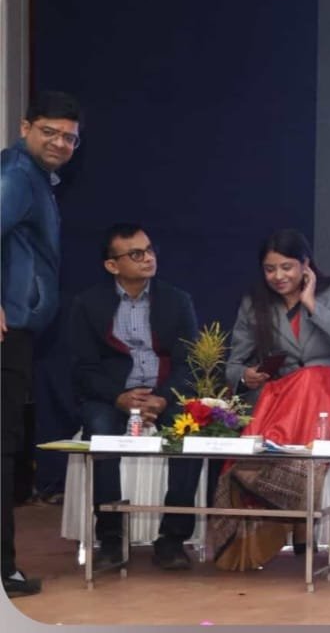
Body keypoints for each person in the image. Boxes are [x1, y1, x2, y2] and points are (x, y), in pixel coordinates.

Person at [208, 229, 330, 570]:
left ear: (305, 265)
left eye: (287, 267)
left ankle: (267, 485)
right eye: (270, 269)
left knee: (311, 377)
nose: (278, 276)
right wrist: (245, 376)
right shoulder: (254, 303)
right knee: (293, 386)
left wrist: (312, 304)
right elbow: (233, 365)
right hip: (285, 399)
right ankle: (297, 509)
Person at [70, 223, 204, 571]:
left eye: (149, 250)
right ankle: (111, 538)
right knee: (100, 431)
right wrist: (119, 397)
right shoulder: (88, 304)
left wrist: (163, 398)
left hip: (165, 392)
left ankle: (172, 539)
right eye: (136, 254)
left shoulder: (177, 300)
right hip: (112, 395)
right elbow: (83, 368)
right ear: (112, 265)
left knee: (191, 434)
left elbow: (189, 363)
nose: (148, 258)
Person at [1, 90, 80, 597]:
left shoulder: (35, 179)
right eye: (49, 131)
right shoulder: (17, 175)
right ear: (25, 127)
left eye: (69, 137)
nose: (59, 143)